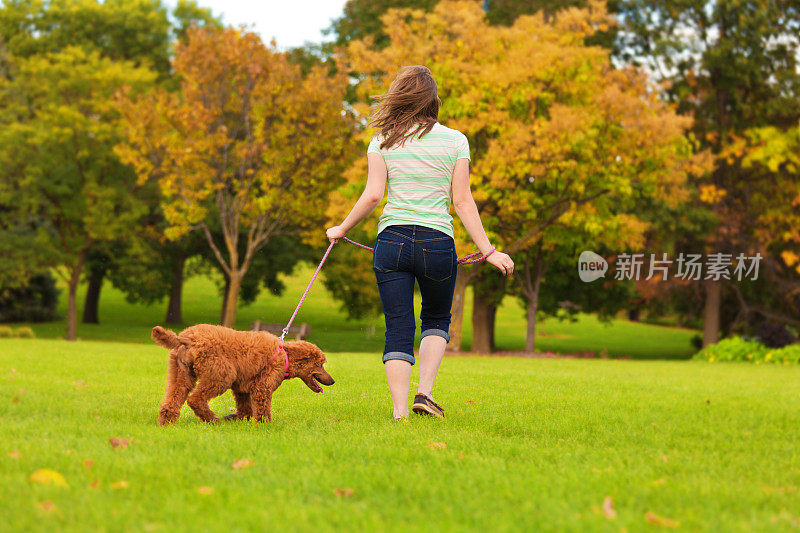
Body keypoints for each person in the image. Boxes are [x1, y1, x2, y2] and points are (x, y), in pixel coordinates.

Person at [326, 65, 514, 420]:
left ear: (399, 96)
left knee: (398, 326)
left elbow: (372, 195)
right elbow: (462, 201)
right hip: (437, 243)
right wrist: (488, 250)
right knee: (436, 319)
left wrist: (342, 227)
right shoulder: (456, 140)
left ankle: (400, 413)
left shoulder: (382, 139)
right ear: (433, 101)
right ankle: (424, 394)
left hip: (391, 241)